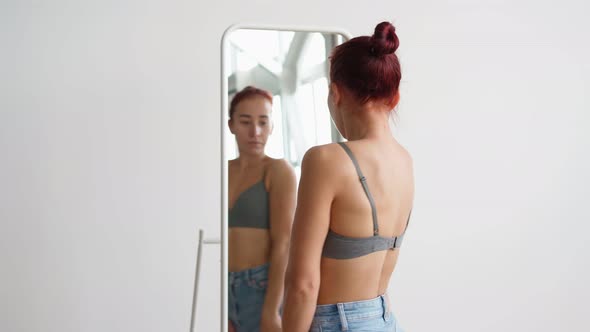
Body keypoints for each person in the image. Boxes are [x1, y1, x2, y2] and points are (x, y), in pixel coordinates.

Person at [282, 22, 414, 332]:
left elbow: (302, 284)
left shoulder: (326, 161)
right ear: (393, 97)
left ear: (335, 93)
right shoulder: (405, 161)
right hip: (384, 320)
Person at [227, 86, 297, 332]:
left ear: (272, 127)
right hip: (221, 287)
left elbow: (284, 244)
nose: (255, 132)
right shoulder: (220, 170)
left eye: (263, 122)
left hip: (259, 288)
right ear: (231, 124)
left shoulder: (278, 171)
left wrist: (271, 310)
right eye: (245, 121)